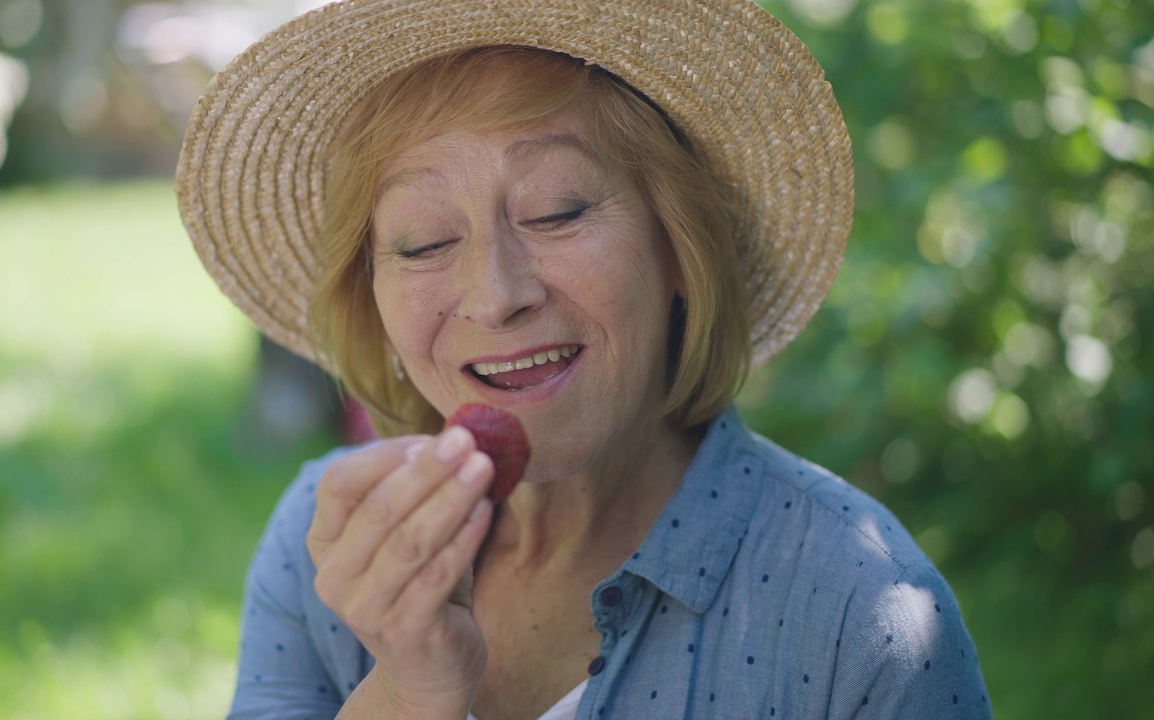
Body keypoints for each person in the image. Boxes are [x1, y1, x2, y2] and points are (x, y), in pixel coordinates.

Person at [176, 1, 992, 718]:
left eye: (557, 210)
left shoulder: (861, 612)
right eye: (424, 240)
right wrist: (406, 692)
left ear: (679, 250)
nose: (494, 296)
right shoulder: (319, 548)